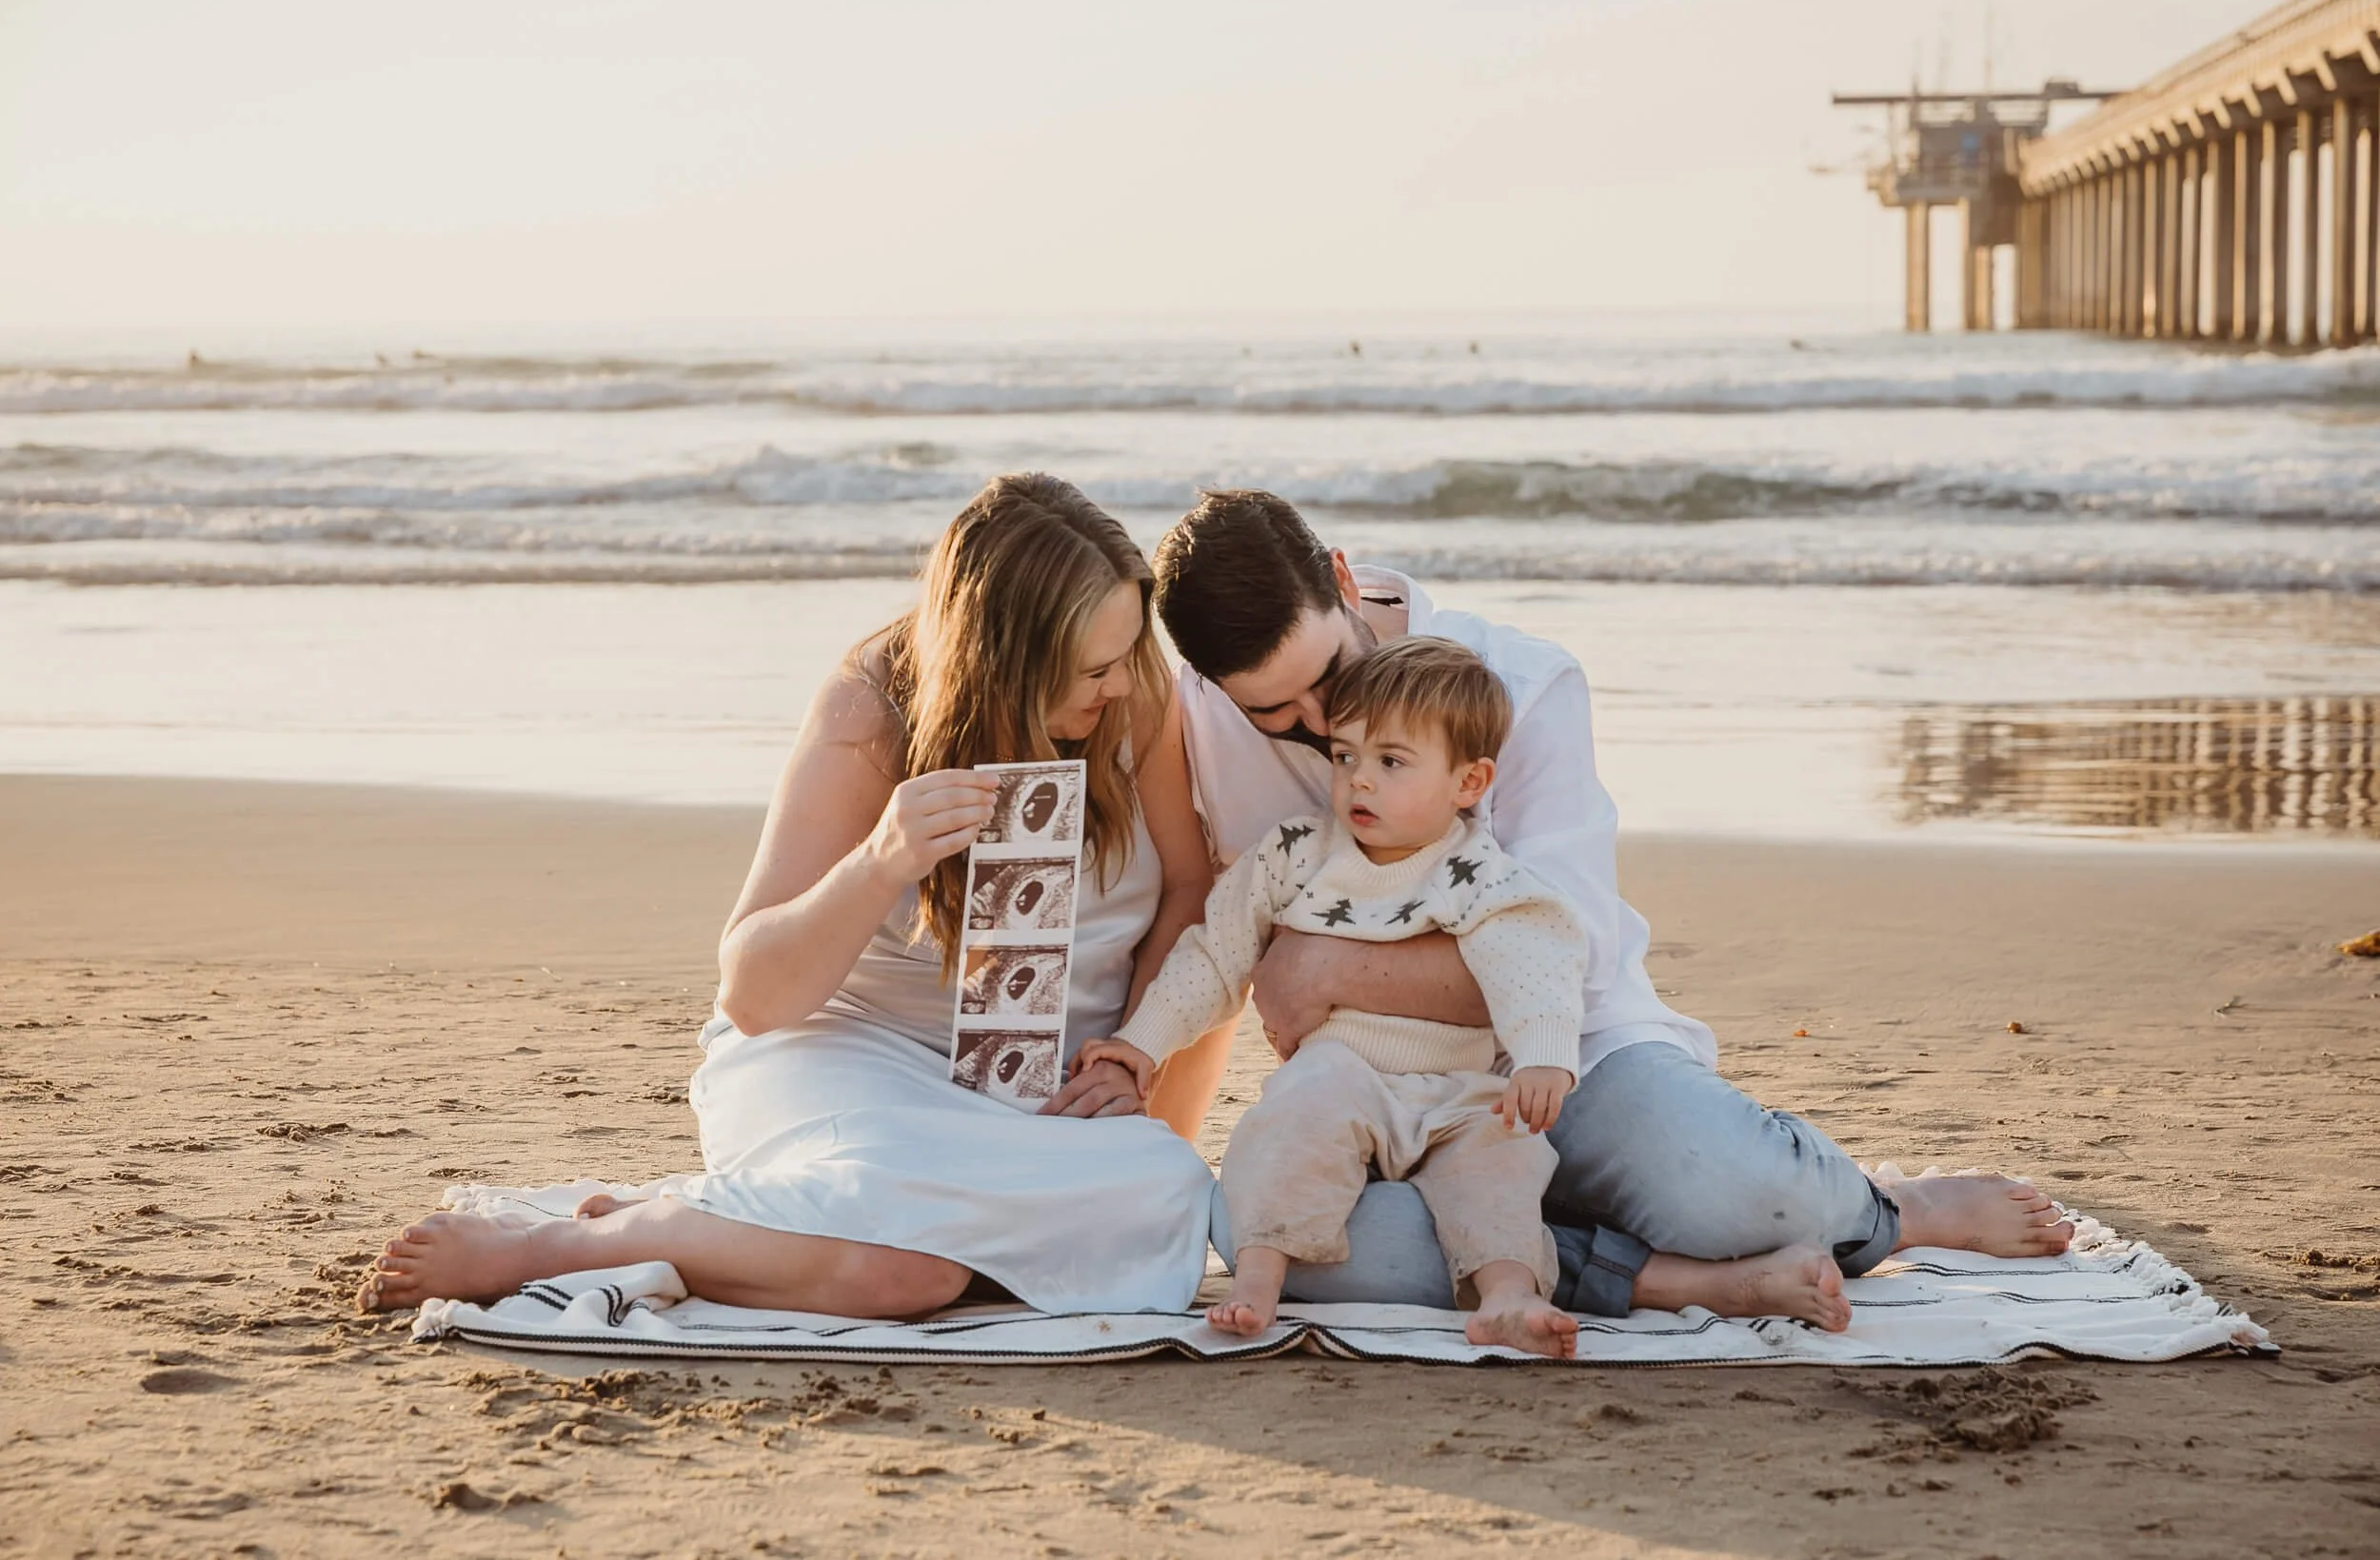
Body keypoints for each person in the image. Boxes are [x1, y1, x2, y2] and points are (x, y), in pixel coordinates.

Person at [1146, 489, 2073, 1323]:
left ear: (1344, 581)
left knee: (1745, 1194)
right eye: (1276, 712)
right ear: (1213, 688)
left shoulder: (1520, 682)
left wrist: (1325, 968)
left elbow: (1567, 956)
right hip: (1374, 1099)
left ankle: (1892, 1209)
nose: (1320, 720)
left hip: (1574, 1064)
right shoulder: (1203, 723)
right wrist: (1143, 1106)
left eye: (1328, 673)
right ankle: (1665, 1276)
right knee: (1278, 1242)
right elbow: (1206, 936)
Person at [357, 474, 1222, 1319]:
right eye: (1092, 668)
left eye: (1127, 654)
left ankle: (745, 1228)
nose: (1121, 683)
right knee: (904, 1275)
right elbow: (754, 993)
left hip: (1025, 1089)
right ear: (1006, 659)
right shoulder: (872, 710)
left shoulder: (1135, 701)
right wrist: (881, 859)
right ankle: (562, 1246)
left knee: (1167, 1195)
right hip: (851, 1058)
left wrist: (1128, 1049)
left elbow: (1190, 890)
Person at [1081, 637, 1588, 1355]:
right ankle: (1259, 1277)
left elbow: (1535, 959)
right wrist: (1142, 1042)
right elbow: (1215, 955)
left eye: (1391, 762)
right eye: (1345, 756)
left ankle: (1507, 1294)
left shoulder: (1477, 874)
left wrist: (1544, 1057)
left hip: (1455, 1089)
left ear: (1469, 781)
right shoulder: (1296, 854)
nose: (1359, 782)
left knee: (1504, 1154)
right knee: (1287, 1124)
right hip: (1340, 1078)